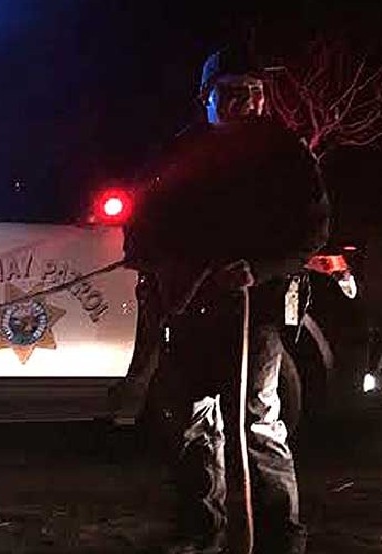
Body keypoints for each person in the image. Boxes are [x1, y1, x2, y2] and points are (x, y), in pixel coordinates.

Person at [123, 44, 331, 554]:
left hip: (253, 311)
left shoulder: (287, 155)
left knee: (256, 423)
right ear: (207, 97)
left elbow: (312, 233)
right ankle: (201, 532)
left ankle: (280, 539)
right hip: (190, 307)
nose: (246, 102)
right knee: (193, 422)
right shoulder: (178, 154)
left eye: (255, 93)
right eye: (232, 92)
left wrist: (257, 269)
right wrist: (155, 261)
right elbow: (143, 223)